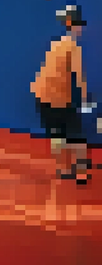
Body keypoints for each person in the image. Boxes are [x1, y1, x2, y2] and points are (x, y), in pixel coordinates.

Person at [32, 10, 93, 183]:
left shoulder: (55, 44)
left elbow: (48, 70)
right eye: (80, 25)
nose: (81, 29)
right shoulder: (74, 47)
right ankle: (81, 172)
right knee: (76, 135)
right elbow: (79, 76)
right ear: (75, 26)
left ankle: (64, 169)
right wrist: (84, 99)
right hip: (59, 98)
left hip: (42, 95)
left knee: (57, 134)